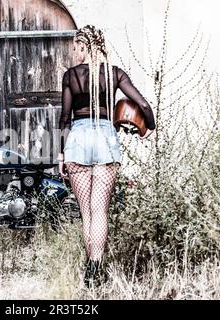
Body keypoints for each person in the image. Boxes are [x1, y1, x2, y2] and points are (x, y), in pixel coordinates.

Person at [58, 25, 156, 288]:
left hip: (77, 140)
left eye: (76, 48)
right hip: (104, 138)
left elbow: (65, 119)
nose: (74, 54)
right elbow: (143, 104)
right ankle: (95, 268)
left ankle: (90, 272)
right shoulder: (114, 74)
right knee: (100, 210)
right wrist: (150, 129)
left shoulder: (70, 76)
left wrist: (60, 154)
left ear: (83, 46)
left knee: (86, 213)